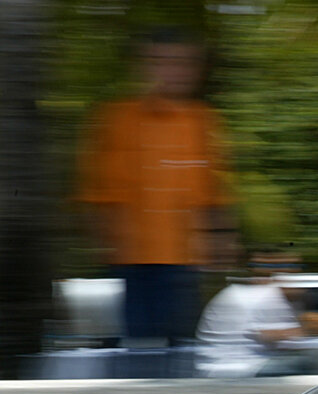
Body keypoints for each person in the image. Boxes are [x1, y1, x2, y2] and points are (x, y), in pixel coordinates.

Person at [76, 27, 239, 348]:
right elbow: (97, 195)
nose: (174, 72)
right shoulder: (116, 119)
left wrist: (223, 243)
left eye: (184, 63)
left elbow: (215, 194)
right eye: (162, 62)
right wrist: (106, 246)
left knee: (182, 352)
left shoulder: (203, 121)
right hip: (131, 266)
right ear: (144, 66)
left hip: (186, 265)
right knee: (137, 353)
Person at [194, 251, 310, 378]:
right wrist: (308, 330)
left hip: (219, 365)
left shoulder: (239, 291)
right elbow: (269, 335)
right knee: (308, 361)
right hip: (241, 367)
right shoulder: (266, 294)